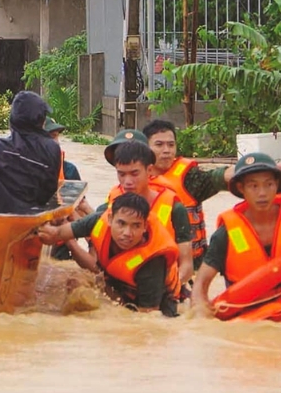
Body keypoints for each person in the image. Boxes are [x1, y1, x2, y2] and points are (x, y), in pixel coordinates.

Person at [38, 192, 182, 317]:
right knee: (75, 286)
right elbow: (56, 234)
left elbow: (147, 318)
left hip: (159, 306)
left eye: (136, 226)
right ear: (111, 219)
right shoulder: (97, 220)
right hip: (119, 287)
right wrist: (43, 225)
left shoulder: (152, 263)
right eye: (121, 223)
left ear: (145, 227)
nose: (127, 233)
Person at [191, 152, 281, 319]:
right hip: (249, 323)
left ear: (276, 185)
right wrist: (199, 315)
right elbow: (200, 284)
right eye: (254, 186)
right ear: (241, 188)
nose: (262, 193)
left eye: (269, 184)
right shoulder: (226, 234)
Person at [143, 119, 235, 270]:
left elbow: (218, 177)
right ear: (145, 147)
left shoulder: (189, 178)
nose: (167, 150)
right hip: (152, 263)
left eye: (171, 145)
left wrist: (257, 170)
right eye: (159, 145)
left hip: (191, 263)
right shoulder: (135, 177)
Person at [101, 139, 194, 287]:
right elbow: (95, 240)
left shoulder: (175, 208)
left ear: (149, 170)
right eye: (122, 174)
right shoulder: (113, 202)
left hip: (160, 287)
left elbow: (187, 266)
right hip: (119, 281)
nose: (127, 182)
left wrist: (167, 289)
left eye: (134, 173)